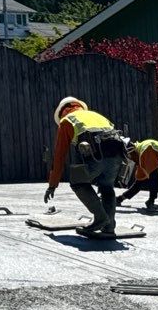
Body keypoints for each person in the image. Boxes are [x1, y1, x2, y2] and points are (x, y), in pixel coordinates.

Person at [44, 96, 134, 238]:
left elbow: (59, 155)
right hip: (117, 154)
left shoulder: (67, 121)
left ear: (62, 112)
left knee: (78, 182)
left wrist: (52, 184)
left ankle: (100, 218)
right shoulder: (98, 116)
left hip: (95, 156)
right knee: (107, 187)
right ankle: (109, 227)